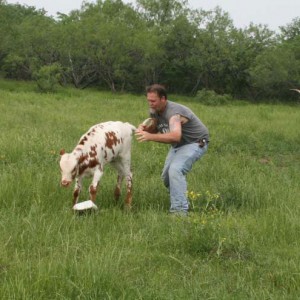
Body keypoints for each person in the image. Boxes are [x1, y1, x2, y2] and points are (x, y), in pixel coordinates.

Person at [135, 84, 209, 216]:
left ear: (163, 99)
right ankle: (182, 200)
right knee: (166, 177)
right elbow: (157, 127)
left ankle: (179, 212)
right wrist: (146, 129)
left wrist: (150, 136)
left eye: (153, 101)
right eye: (148, 100)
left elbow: (175, 136)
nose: (150, 104)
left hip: (195, 143)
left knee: (175, 170)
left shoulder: (173, 113)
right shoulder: (155, 110)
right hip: (179, 145)